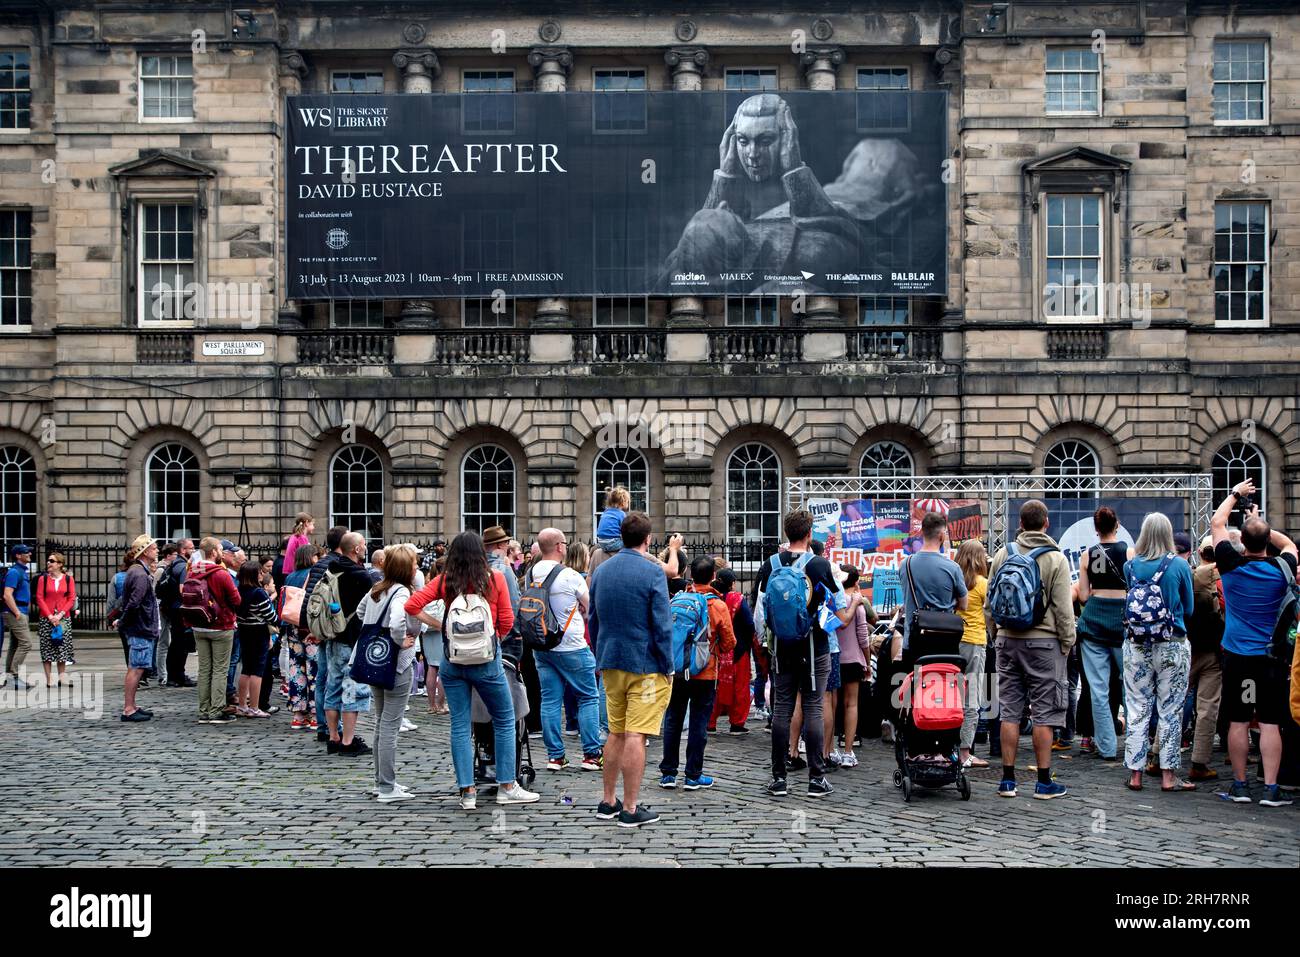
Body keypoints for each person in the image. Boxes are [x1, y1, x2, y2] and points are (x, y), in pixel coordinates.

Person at [406, 531, 537, 808]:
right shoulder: (495, 579)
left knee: (460, 726)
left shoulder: (446, 581)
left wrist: (441, 625)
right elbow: (507, 619)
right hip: (487, 662)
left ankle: (467, 792)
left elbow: (412, 605)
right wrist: (492, 643)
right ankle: (506, 786)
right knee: (503, 720)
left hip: (452, 663)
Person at [752, 509, 861, 799]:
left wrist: (769, 643)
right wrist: (849, 610)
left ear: (786, 533)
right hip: (815, 647)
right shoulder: (820, 565)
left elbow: (759, 614)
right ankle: (816, 778)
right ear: (809, 533)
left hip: (782, 649)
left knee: (782, 711)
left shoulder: (770, 564)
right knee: (813, 707)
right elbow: (840, 613)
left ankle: (778, 778)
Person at [1210, 479, 1296, 807]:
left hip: (1239, 657)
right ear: (1265, 541)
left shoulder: (1231, 565)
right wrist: (1260, 524)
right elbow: (1288, 544)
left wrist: (1235, 495)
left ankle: (1240, 785)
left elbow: (1217, 522)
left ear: (1241, 541)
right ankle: (1272, 789)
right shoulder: (1282, 567)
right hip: (1272, 658)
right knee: (1272, 723)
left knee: (1239, 720)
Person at [588, 512, 673, 827]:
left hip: (611, 659)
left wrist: (600, 655)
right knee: (636, 733)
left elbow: (593, 619)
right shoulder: (652, 573)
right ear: (648, 539)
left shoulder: (601, 571)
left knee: (616, 731)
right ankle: (632, 809)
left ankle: (609, 800)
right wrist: (668, 664)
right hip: (645, 664)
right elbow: (663, 625)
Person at [987, 500, 1075, 800]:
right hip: (1044, 643)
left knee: (1009, 711)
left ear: (1020, 524)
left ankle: (1008, 781)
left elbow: (990, 603)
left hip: (1007, 640)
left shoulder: (1003, 553)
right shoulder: (1055, 559)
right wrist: (1067, 643)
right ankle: (1044, 782)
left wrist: (996, 634)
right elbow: (1064, 610)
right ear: (1046, 523)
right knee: (1044, 712)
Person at [1121, 512, 1195, 792]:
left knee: (1137, 708)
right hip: (1172, 644)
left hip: (1137, 645)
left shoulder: (1131, 567)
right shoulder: (1179, 566)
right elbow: (1188, 609)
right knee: (1170, 710)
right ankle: (1168, 776)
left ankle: (1135, 775)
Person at [524, 528, 603, 771]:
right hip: (571, 646)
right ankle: (591, 754)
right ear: (559, 546)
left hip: (542, 644)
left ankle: (555, 757)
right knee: (588, 697)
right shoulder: (570, 575)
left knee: (550, 700)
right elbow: (592, 609)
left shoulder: (530, 573)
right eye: (565, 543)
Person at [659, 555, 736, 790]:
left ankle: (669, 773)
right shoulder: (718, 605)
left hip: (679, 670)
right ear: (714, 576)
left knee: (673, 720)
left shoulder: (677, 599)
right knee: (698, 723)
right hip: (705, 672)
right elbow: (729, 643)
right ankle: (693, 775)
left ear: (690, 575)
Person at [356, 543, 422, 802]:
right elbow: (397, 621)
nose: (417, 566)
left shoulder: (377, 588)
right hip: (397, 663)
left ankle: (380, 781)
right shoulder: (402, 593)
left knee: (381, 721)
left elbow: (361, 612)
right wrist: (399, 640)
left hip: (375, 661)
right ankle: (387, 786)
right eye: (414, 563)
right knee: (390, 725)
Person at [1075, 506, 1129, 763]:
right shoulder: (1129, 553)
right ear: (1116, 525)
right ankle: (1135, 746)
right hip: (1122, 623)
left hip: (1094, 622)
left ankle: (1107, 747)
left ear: (1096, 529)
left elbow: (1084, 596)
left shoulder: (1087, 555)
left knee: (1097, 690)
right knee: (1129, 688)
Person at [320, 532, 376, 756]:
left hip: (333, 635)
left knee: (332, 687)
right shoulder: (361, 576)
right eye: (363, 545)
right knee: (353, 690)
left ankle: (333, 737)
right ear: (355, 549)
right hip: (353, 638)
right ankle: (348, 742)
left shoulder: (331, 568)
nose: (365, 548)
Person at [898, 512, 968, 667]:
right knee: (944, 688)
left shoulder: (905, 565)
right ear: (942, 536)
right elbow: (964, 605)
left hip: (914, 641)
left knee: (914, 688)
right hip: (945, 640)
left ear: (922, 532)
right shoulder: (953, 567)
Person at [300, 526, 350, 742]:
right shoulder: (338, 565)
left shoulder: (319, 563)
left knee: (322, 678)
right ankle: (332, 727)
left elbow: (308, 598)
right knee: (332, 679)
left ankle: (323, 725)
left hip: (318, 628)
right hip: (332, 628)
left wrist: (310, 628)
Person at [189, 537, 243, 725]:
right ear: (213, 552)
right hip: (221, 625)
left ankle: (204, 710)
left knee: (204, 669)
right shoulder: (221, 573)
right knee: (220, 669)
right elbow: (236, 600)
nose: (221, 552)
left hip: (198, 624)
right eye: (220, 549)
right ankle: (217, 710)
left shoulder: (193, 570)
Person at [1186, 536, 1224, 781]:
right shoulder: (1225, 579)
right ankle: (1199, 762)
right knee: (1207, 706)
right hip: (1214, 648)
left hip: (1189, 645)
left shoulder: (1189, 575)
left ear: (1200, 552)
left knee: (1173, 700)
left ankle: (1158, 756)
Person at [708, 567, 760, 735]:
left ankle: (710, 723)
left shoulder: (710, 598)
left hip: (715, 650)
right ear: (732, 584)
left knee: (714, 686)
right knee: (740, 687)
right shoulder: (737, 599)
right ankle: (736, 723)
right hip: (737, 649)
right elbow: (749, 624)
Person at [954, 540, 991, 769]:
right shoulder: (982, 584)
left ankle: (948, 746)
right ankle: (964, 752)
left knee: (951, 697)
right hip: (975, 642)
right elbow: (991, 612)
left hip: (952, 641)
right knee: (971, 699)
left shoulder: (953, 582)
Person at [117, 535, 160, 722]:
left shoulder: (136, 571)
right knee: (136, 668)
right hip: (140, 627)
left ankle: (132, 705)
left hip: (139, 626)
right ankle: (128, 709)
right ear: (145, 551)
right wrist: (123, 622)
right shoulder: (140, 574)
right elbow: (134, 603)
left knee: (137, 667)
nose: (157, 550)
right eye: (154, 548)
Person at [282, 543, 319, 730]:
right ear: (313, 558)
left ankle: (298, 713)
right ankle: (314, 713)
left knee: (296, 668)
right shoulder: (315, 574)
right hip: (310, 626)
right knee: (314, 668)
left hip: (292, 625)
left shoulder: (291, 576)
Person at [234, 561, 277, 718]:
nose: (262, 575)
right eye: (260, 572)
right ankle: (254, 707)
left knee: (246, 669)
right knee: (257, 671)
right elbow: (271, 616)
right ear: (254, 575)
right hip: (258, 632)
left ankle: (242, 705)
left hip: (244, 630)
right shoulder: (258, 593)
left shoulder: (239, 590)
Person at [35, 551, 76, 687]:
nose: (48, 563)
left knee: (63, 647)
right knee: (46, 647)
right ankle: (49, 679)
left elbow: (71, 598)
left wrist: (60, 614)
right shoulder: (43, 579)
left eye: (52, 561)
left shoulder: (68, 579)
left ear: (59, 564)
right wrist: (50, 616)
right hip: (46, 618)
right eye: (48, 561)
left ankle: (62, 677)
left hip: (63, 618)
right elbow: (39, 598)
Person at [158, 538, 195, 687]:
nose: (193, 551)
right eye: (191, 548)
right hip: (180, 609)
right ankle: (177, 676)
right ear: (183, 550)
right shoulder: (183, 566)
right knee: (180, 644)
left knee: (177, 643)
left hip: (173, 608)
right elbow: (182, 589)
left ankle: (176, 675)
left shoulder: (174, 564)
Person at [2, 543, 34, 690]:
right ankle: (13, 675)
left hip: (20, 611)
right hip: (15, 612)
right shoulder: (14, 572)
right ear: (18, 555)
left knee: (15, 645)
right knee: (26, 643)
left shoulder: (21, 571)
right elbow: (7, 594)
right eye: (26, 552)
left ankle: (10, 678)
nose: (29, 554)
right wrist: (17, 613)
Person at [595, 486, 630, 554]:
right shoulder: (621, 514)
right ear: (623, 502)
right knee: (631, 543)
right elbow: (625, 531)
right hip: (612, 543)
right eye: (627, 501)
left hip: (601, 542)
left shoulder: (606, 511)